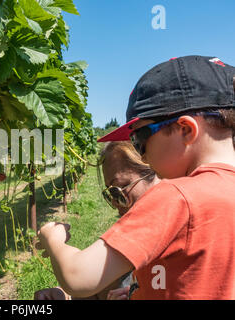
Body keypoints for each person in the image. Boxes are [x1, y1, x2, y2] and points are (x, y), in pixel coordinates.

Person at [36, 55, 235, 299]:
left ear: (185, 129)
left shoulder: (176, 196)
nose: (144, 155)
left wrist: (52, 239)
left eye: (140, 140)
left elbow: (78, 277)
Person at [34, 141, 160, 300]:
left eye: (118, 189)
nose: (114, 203)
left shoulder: (154, 219)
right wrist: (65, 295)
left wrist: (53, 238)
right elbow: (103, 285)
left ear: (155, 172)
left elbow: (77, 275)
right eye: (110, 193)